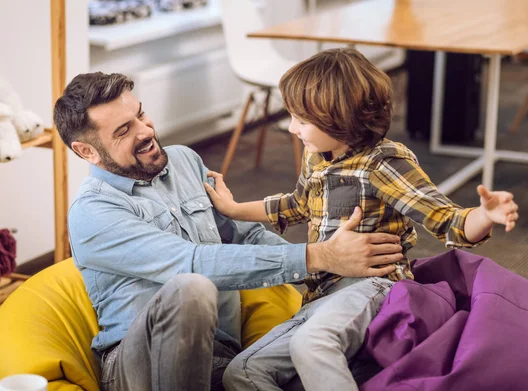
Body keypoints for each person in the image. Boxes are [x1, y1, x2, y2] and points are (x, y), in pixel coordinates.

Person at [52, 71, 406, 391]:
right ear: (87, 152)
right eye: (123, 130)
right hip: (138, 368)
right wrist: (317, 256)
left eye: (140, 115)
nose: (146, 131)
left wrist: (337, 274)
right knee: (190, 287)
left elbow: (245, 235)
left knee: (341, 359)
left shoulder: (183, 160)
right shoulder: (93, 212)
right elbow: (192, 264)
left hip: (224, 358)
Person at [204, 48, 519, 391]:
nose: (292, 128)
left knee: (311, 345)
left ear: (337, 119)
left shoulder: (383, 163)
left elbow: (447, 220)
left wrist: (485, 215)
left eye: (301, 120)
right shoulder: (317, 158)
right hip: (318, 294)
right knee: (244, 371)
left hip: (368, 286)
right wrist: (233, 209)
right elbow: (295, 204)